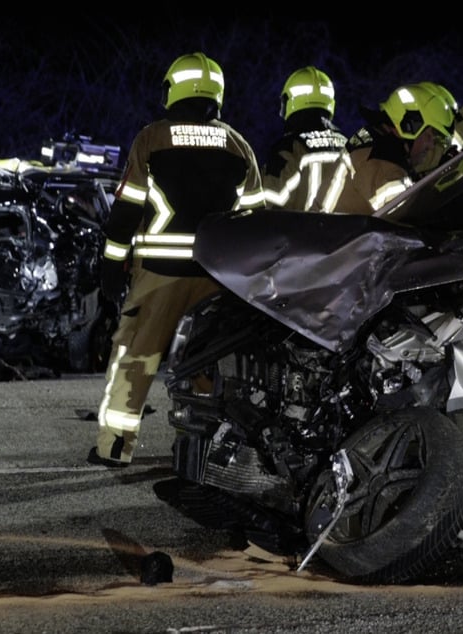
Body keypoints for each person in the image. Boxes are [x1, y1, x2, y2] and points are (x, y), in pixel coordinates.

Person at [89, 51, 266, 467]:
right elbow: (256, 221)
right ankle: (200, 451)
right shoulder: (238, 144)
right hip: (217, 279)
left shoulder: (152, 138)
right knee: (206, 365)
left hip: (158, 276)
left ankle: (115, 448)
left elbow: (127, 209)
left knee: (134, 358)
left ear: (173, 90)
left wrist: (112, 264)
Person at [334, 81, 456, 214]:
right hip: (335, 227)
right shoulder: (380, 159)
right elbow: (406, 210)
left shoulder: (379, 141)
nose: (431, 145)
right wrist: (444, 184)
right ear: (410, 126)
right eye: (429, 136)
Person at [262, 66, 353, 212]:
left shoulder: (290, 148)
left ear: (290, 102)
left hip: (300, 228)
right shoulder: (350, 146)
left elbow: (269, 207)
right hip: (348, 228)